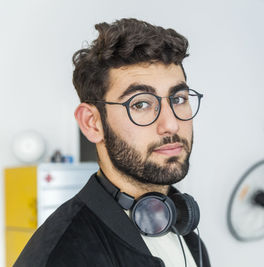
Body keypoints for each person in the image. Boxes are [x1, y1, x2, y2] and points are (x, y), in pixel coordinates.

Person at [15, 18, 210, 267]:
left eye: (179, 99)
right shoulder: (62, 255)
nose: (171, 124)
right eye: (140, 104)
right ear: (92, 123)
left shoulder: (187, 236)